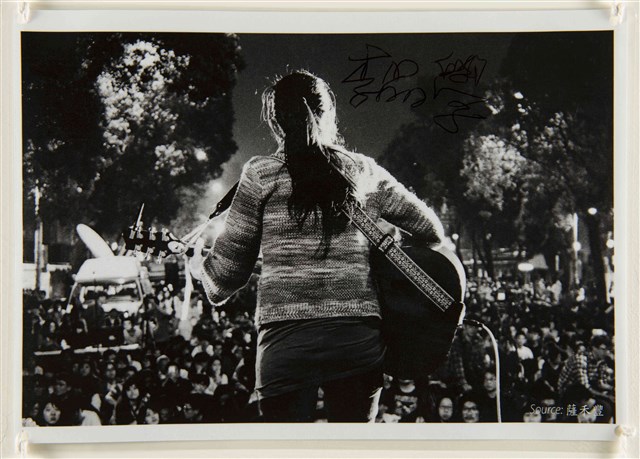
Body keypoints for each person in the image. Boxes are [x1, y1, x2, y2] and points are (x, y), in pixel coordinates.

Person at [189, 70, 444, 423]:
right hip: (357, 342)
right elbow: (430, 230)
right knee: (351, 447)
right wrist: (380, 260)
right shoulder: (363, 171)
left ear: (275, 121)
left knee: (288, 447)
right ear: (329, 114)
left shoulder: (260, 174)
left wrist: (198, 268)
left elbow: (225, 277)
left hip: (285, 345)